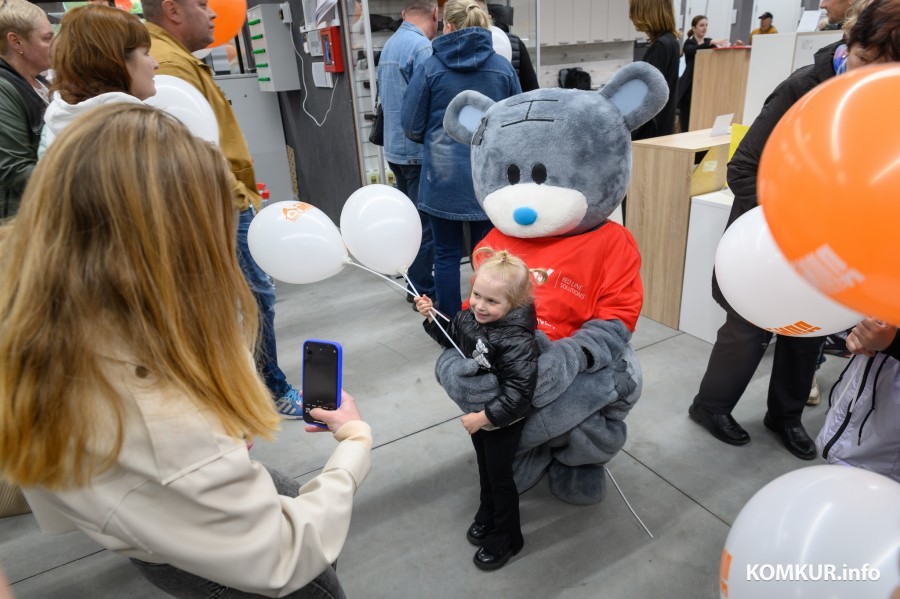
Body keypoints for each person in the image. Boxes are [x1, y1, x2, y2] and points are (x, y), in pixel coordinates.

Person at [0, 104, 372, 599]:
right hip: (225, 566)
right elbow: (283, 554)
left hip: (148, 531)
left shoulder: (38, 314)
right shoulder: (164, 422)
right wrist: (354, 445)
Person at [688, 0, 896, 460]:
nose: (868, 80)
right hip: (767, 246)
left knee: (808, 337)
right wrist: (800, 218)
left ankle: (784, 416)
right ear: (849, 43)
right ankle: (711, 406)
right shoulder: (804, 87)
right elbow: (742, 169)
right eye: (863, 63)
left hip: (835, 248)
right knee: (745, 333)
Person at [141, 0, 303, 417]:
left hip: (223, 199)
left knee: (244, 297)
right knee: (254, 295)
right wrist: (238, 196)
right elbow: (192, 152)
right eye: (201, 4)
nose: (214, 13)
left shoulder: (176, 59)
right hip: (219, 204)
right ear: (173, 10)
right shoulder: (168, 66)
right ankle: (269, 388)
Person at [415, 247, 541, 571]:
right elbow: (453, 334)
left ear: (513, 304)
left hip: (502, 419)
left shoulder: (517, 341)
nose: (479, 306)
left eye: (491, 301)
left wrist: (484, 418)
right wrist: (432, 318)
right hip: (480, 412)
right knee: (485, 469)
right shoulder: (472, 318)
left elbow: (519, 394)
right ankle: (488, 512)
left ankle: (508, 536)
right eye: (476, 295)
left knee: (500, 477)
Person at [402, 0, 520, 317]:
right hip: (487, 176)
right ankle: (489, 319)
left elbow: (411, 126)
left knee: (446, 253)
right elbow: (514, 124)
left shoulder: (429, 67)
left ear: (448, 27)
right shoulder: (502, 67)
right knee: (489, 254)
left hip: (443, 176)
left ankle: (453, 323)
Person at [376, 0, 439, 304]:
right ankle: (422, 290)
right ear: (436, 15)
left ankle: (413, 284)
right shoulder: (421, 48)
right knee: (423, 225)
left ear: (403, 14)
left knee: (408, 223)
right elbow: (428, 102)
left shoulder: (390, 45)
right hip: (416, 150)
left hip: (395, 150)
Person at [39, 5, 158, 155]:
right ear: (116, 63)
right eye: (146, 53)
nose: (156, 64)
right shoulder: (144, 131)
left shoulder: (53, 126)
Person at [0, 0, 52, 219]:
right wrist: (76, 180)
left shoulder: (42, 83)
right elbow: (14, 169)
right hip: (21, 218)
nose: (55, 44)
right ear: (16, 41)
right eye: (47, 38)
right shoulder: (4, 89)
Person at [629, 0, 680, 140]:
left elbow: (644, 99)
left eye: (634, 10)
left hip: (650, 136)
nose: (631, 16)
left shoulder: (661, 47)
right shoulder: (672, 42)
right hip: (661, 132)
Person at [676, 15, 729, 131]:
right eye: (701, 25)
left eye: (706, 25)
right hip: (689, 87)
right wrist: (710, 43)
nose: (704, 28)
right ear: (694, 28)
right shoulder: (689, 43)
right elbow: (692, 50)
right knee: (687, 120)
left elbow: (719, 52)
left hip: (704, 85)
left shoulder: (709, 41)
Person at [481, 1, 539, 92]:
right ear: (488, 17)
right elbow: (533, 90)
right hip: (514, 103)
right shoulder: (515, 43)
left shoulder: (462, 45)